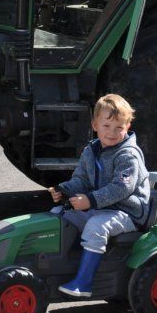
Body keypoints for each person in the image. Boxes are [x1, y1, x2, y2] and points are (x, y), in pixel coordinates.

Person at [47, 93, 150, 298]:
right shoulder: (91, 151)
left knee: (96, 226)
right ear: (95, 125)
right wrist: (63, 189)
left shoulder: (128, 155)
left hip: (127, 212)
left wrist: (91, 200)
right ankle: (59, 264)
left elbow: (121, 188)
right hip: (103, 207)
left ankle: (83, 282)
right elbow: (82, 179)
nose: (112, 132)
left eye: (119, 127)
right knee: (60, 214)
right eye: (106, 126)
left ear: (128, 127)